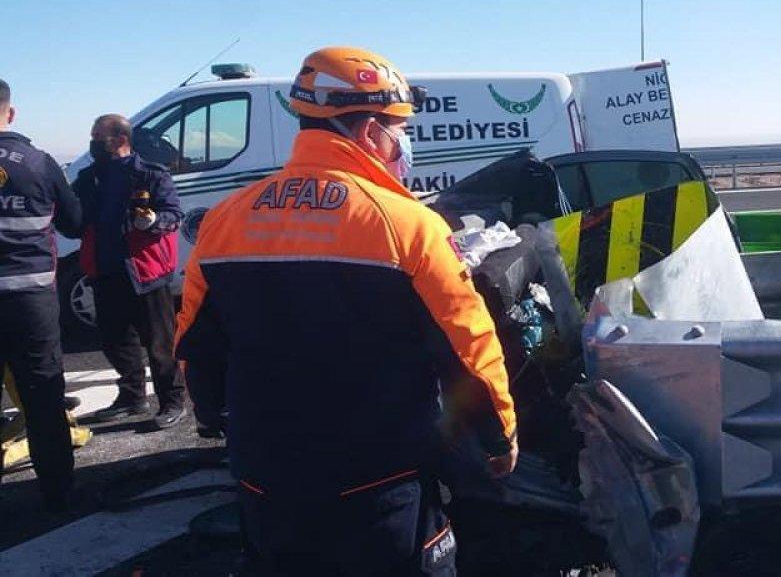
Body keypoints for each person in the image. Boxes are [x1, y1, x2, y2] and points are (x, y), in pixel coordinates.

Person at [175, 47, 517, 575]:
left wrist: (216, 416)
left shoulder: (225, 219)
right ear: (367, 133)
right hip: (378, 483)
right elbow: (466, 349)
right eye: (398, 127)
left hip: (265, 478)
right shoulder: (407, 226)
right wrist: (499, 439)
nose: (402, 141)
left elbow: (196, 345)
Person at [0, 78, 84, 509]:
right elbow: (72, 223)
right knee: (43, 395)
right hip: (29, 300)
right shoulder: (38, 162)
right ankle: (58, 491)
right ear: (10, 112)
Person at [73, 114, 186, 429]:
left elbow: (173, 213)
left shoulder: (150, 175)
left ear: (120, 140)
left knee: (159, 343)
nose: (93, 143)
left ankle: (172, 401)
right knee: (114, 339)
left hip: (144, 272)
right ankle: (132, 398)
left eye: (99, 137)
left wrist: (153, 223)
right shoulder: (89, 177)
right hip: (104, 270)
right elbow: (74, 215)